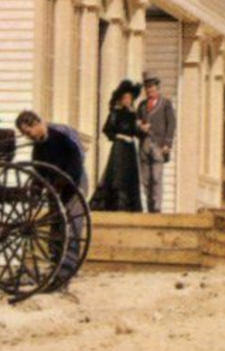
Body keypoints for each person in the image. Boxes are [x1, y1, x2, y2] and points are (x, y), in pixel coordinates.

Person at [14, 110, 88, 282]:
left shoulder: (61, 133)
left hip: (73, 182)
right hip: (55, 185)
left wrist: (64, 182)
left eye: (28, 132)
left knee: (72, 225)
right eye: (24, 134)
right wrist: (36, 191)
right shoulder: (38, 145)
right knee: (56, 225)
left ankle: (67, 269)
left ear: (37, 123)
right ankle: (55, 264)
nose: (28, 136)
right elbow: (38, 169)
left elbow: (77, 158)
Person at [92, 80, 143, 212]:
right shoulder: (116, 113)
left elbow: (135, 132)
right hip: (119, 148)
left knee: (129, 175)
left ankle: (129, 207)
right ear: (121, 99)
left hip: (130, 148)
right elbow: (107, 129)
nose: (127, 100)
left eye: (130, 98)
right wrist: (118, 136)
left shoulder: (133, 114)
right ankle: (116, 205)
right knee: (118, 175)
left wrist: (142, 129)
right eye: (125, 98)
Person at [136, 75, 177, 213]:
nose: (149, 91)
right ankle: (150, 207)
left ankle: (157, 207)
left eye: (152, 88)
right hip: (144, 145)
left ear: (157, 88)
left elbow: (171, 124)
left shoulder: (165, 103)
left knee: (156, 178)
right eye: (147, 88)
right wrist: (140, 127)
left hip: (159, 145)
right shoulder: (141, 105)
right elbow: (136, 122)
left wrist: (167, 144)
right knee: (146, 179)